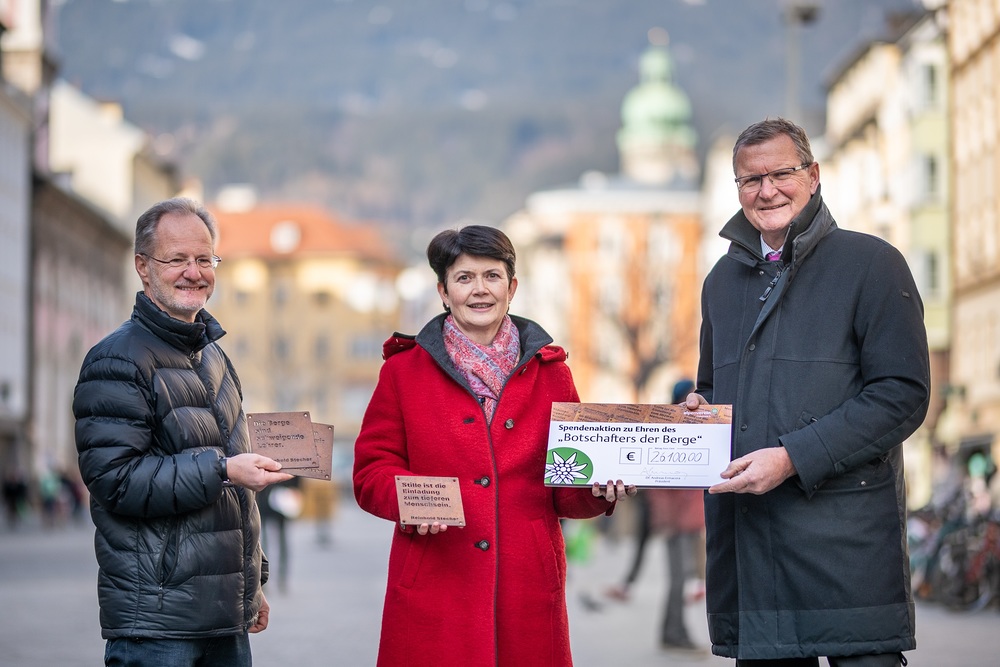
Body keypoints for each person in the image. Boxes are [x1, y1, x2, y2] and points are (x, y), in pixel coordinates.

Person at [687, 118, 930, 666]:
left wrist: (794, 457)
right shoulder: (720, 284)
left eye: (782, 173)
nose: (767, 190)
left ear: (814, 175)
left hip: (846, 547)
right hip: (752, 552)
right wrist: (696, 414)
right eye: (751, 180)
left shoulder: (871, 264)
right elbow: (709, 388)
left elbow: (902, 394)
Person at [353, 224, 636, 666]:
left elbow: (567, 488)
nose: (479, 290)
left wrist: (598, 489)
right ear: (443, 292)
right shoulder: (402, 373)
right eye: (464, 278)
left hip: (526, 586)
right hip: (435, 581)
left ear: (512, 287)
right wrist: (413, 500)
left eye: (492, 276)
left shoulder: (552, 374)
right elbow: (371, 472)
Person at [73, 197, 293, 666]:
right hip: (156, 624)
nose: (193, 272)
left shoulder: (213, 357)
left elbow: (236, 498)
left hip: (222, 617)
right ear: (143, 267)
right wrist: (223, 469)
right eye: (176, 260)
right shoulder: (117, 359)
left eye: (203, 259)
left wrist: (251, 585)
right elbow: (115, 479)